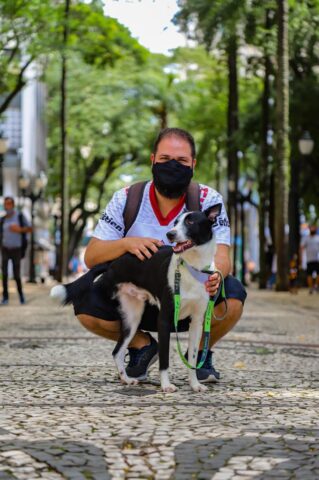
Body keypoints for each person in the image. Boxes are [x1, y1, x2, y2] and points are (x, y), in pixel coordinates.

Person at [74, 128, 247, 382]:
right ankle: (142, 345)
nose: (173, 166)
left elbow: (222, 255)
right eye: (165, 159)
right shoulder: (126, 199)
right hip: (139, 298)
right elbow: (92, 256)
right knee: (86, 302)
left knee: (232, 294)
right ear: (153, 160)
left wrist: (215, 275)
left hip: (190, 299)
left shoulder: (207, 199)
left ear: (193, 164)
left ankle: (198, 355)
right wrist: (127, 243)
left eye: (182, 161)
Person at [0, 197, 32, 305]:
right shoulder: (3, 219)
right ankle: (5, 298)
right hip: (5, 249)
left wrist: (19, 230)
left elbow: (30, 229)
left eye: (9, 204)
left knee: (16, 275)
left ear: (13, 205)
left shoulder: (19, 216)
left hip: (16, 249)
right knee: (4, 274)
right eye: (6, 204)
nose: (7, 206)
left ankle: (21, 296)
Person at [301, 224, 319, 294]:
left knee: (318, 274)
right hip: (309, 259)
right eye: (311, 227)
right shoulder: (306, 238)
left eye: (314, 228)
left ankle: (317, 286)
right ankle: (311, 288)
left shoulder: (318, 238)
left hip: (317, 259)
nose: (313, 229)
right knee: (309, 274)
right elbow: (302, 248)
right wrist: (301, 258)